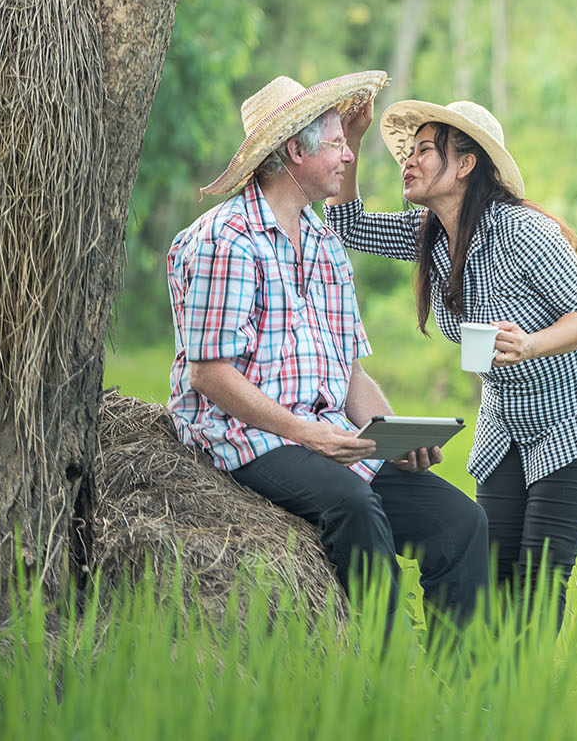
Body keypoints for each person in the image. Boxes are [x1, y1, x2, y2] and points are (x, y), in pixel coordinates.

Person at [165, 72, 489, 633]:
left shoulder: (322, 243)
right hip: (248, 435)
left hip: (324, 433)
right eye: (338, 143)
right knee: (355, 508)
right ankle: (380, 680)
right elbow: (209, 374)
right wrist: (302, 431)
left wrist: (393, 434)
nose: (347, 156)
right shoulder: (228, 239)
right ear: (296, 151)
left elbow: (350, 371)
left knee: (460, 521)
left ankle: (454, 696)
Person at [324, 99, 577, 631]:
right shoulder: (432, 234)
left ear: (465, 165)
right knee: (486, 570)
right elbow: (347, 227)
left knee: (536, 583)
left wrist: (530, 344)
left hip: (573, 416)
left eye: (423, 151)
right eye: (407, 152)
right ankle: (475, 699)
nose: (407, 163)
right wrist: (352, 141)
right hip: (505, 421)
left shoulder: (518, 230)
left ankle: (521, 704)